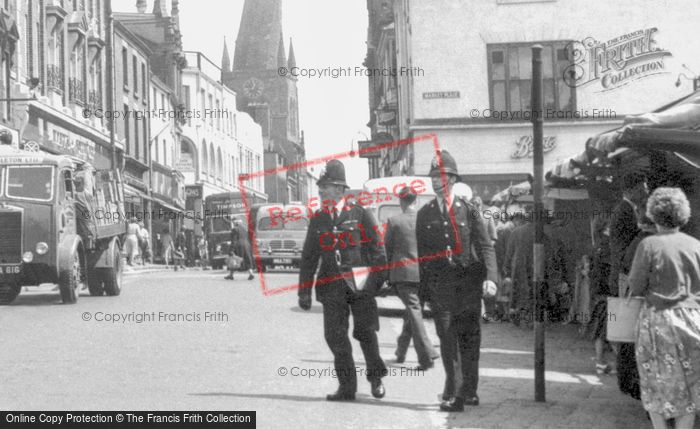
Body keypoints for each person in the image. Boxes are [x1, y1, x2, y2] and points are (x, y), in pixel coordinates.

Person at [297, 159, 388, 401]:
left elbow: (379, 252)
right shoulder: (318, 219)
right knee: (335, 336)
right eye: (321, 187)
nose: (321, 191)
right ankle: (347, 387)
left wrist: (373, 284)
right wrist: (303, 292)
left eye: (325, 187)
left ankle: (376, 377)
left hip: (360, 285)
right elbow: (308, 257)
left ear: (339, 189)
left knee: (366, 332)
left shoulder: (360, 214)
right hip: (331, 285)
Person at [416, 150, 498, 412]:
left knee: (469, 338)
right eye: (432, 176)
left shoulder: (469, 210)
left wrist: (491, 278)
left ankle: (470, 389)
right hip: (441, 287)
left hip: (469, 285)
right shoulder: (425, 213)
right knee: (447, 337)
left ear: (451, 179)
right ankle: (454, 392)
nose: (434, 181)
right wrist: (423, 290)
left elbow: (486, 247)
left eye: (439, 176)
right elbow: (422, 257)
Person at [627, 187, 700, 429]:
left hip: (658, 322)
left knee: (654, 384)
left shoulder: (649, 245)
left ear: (653, 214)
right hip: (694, 320)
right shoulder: (695, 245)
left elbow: (636, 287)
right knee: (691, 386)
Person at [385, 186, 439, 370]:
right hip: (423, 274)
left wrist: (385, 275)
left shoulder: (394, 221)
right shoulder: (425, 220)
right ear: (416, 201)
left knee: (413, 310)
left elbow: (388, 251)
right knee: (413, 311)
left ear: (400, 202)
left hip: (403, 274)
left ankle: (428, 353)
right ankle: (404, 352)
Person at [616, 207, 655, 401]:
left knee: (633, 346)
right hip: (645, 305)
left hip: (636, 302)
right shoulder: (645, 243)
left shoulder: (637, 241)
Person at [610, 172, 648, 297]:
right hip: (624, 275)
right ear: (630, 191)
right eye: (642, 189)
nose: (646, 192)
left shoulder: (628, 209)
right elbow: (625, 249)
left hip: (625, 274)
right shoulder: (624, 211)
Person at [586, 219, 616, 375]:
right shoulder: (609, 245)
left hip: (598, 292)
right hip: (607, 292)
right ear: (607, 228)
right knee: (612, 327)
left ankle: (600, 362)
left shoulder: (597, 245)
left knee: (601, 328)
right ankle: (607, 363)